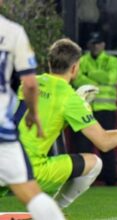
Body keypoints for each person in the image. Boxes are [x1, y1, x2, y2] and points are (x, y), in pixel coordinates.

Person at [14, 38, 117, 209]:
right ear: (75, 67)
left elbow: (44, 119)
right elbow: (104, 143)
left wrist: (73, 107)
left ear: (49, 62)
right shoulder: (68, 98)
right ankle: (52, 211)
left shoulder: (29, 82)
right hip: (28, 169)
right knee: (95, 163)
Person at [0, 1, 65, 219]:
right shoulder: (13, 32)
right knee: (32, 193)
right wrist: (33, 113)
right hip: (3, 131)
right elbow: (29, 84)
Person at [72, 32, 117, 186]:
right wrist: (99, 79)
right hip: (86, 108)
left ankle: (110, 181)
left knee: (107, 146)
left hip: (105, 109)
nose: (95, 46)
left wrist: (88, 75)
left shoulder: (112, 60)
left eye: (98, 43)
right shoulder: (82, 60)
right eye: (93, 43)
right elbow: (76, 80)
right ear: (89, 45)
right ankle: (82, 182)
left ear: (103, 44)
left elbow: (110, 79)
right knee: (83, 146)